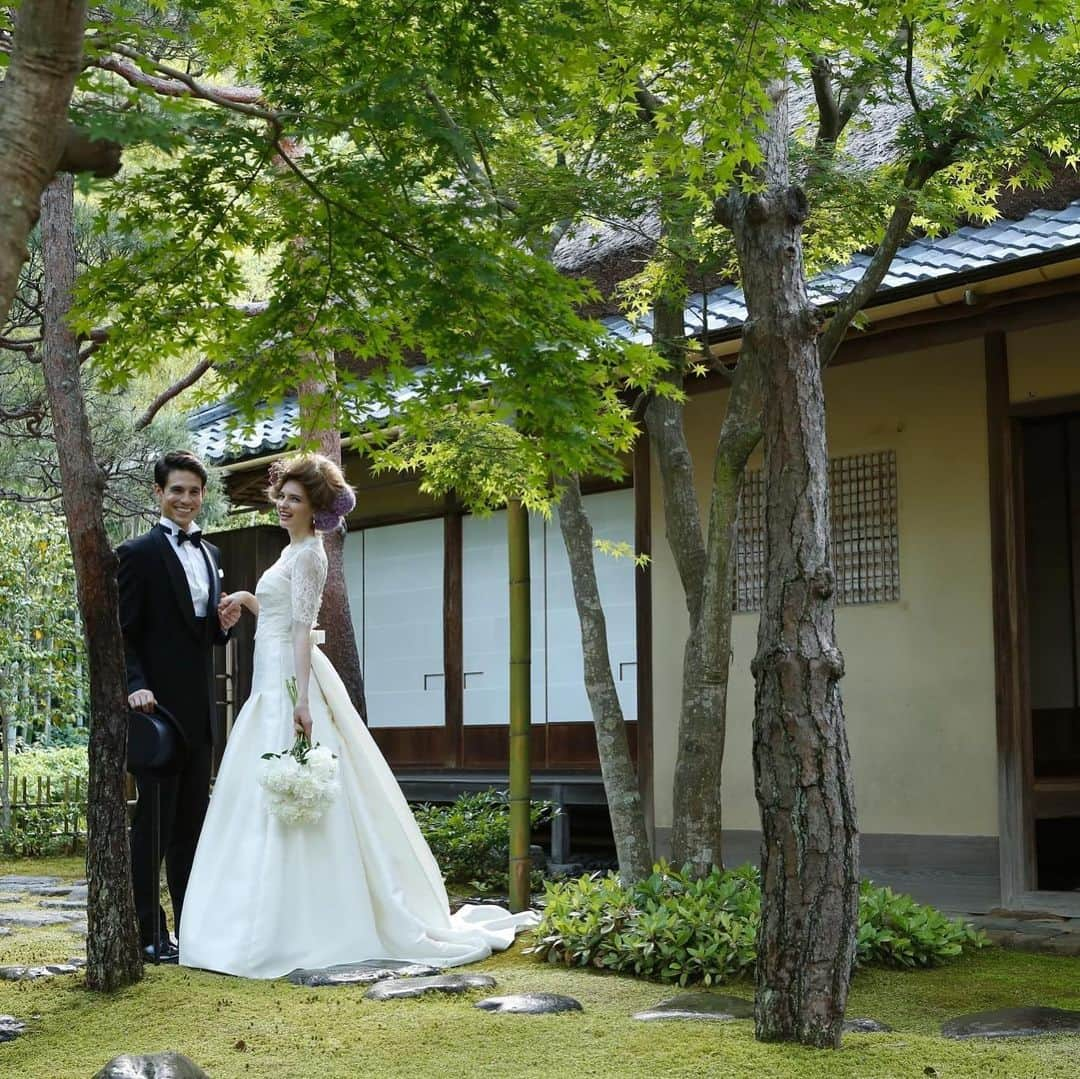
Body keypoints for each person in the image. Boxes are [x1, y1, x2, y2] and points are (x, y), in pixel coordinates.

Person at [179, 453, 537, 978]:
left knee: (294, 781)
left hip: (287, 678)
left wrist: (301, 700)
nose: (282, 504)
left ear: (315, 507)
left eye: (295, 500)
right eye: (282, 495)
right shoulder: (293, 549)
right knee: (259, 791)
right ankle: (253, 912)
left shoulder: (311, 556)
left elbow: (303, 630)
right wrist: (249, 601)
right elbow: (281, 616)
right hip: (271, 670)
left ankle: (300, 924)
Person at [118, 450, 240, 962]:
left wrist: (222, 624)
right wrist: (134, 685)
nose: (186, 499)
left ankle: (193, 930)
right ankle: (149, 932)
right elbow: (122, 633)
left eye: (194, 491)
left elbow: (198, 634)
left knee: (192, 825)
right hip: (155, 711)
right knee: (153, 824)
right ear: (158, 493)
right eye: (177, 491)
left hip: (200, 710)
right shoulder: (137, 553)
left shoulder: (211, 554)